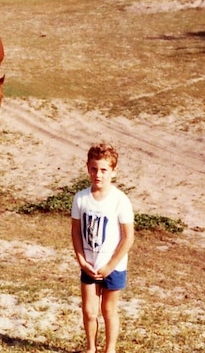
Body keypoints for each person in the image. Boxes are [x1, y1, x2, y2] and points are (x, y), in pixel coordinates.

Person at [71, 143, 135, 353]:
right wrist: (82, 261)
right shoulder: (80, 198)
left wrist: (110, 266)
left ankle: (110, 349)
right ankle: (91, 348)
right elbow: (76, 232)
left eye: (104, 170)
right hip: (89, 264)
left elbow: (128, 238)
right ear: (87, 168)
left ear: (113, 172)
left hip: (112, 267)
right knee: (89, 311)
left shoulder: (120, 200)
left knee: (109, 310)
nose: (98, 174)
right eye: (94, 169)